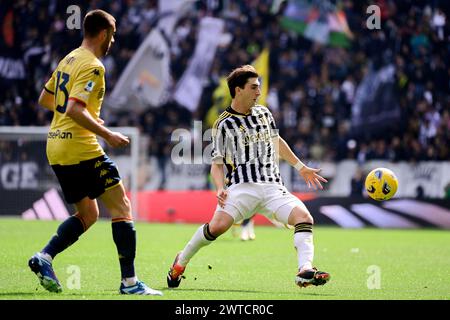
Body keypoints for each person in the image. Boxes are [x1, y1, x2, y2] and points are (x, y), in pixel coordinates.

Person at [28, 9, 162, 296]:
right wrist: (108, 134)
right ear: (103, 34)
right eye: (112, 36)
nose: (112, 42)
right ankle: (130, 283)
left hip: (56, 146)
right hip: (81, 147)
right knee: (122, 207)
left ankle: (44, 257)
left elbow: (45, 99)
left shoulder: (69, 58)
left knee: (88, 214)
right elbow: (75, 108)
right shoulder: (93, 66)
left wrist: (82, 115)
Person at [167, 65, 330, 289]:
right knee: (217, 228)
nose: (258, 92)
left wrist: (300, 166)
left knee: (304, 218)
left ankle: (305, 270)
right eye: (253, 87)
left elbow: (277, 142)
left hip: (273, 187)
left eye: (259, 87)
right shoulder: (224, 124)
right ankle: (181, 261)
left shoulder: (264, 113)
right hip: (241, 187)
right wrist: (219, 188)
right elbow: (216, 165)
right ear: (238, 90)